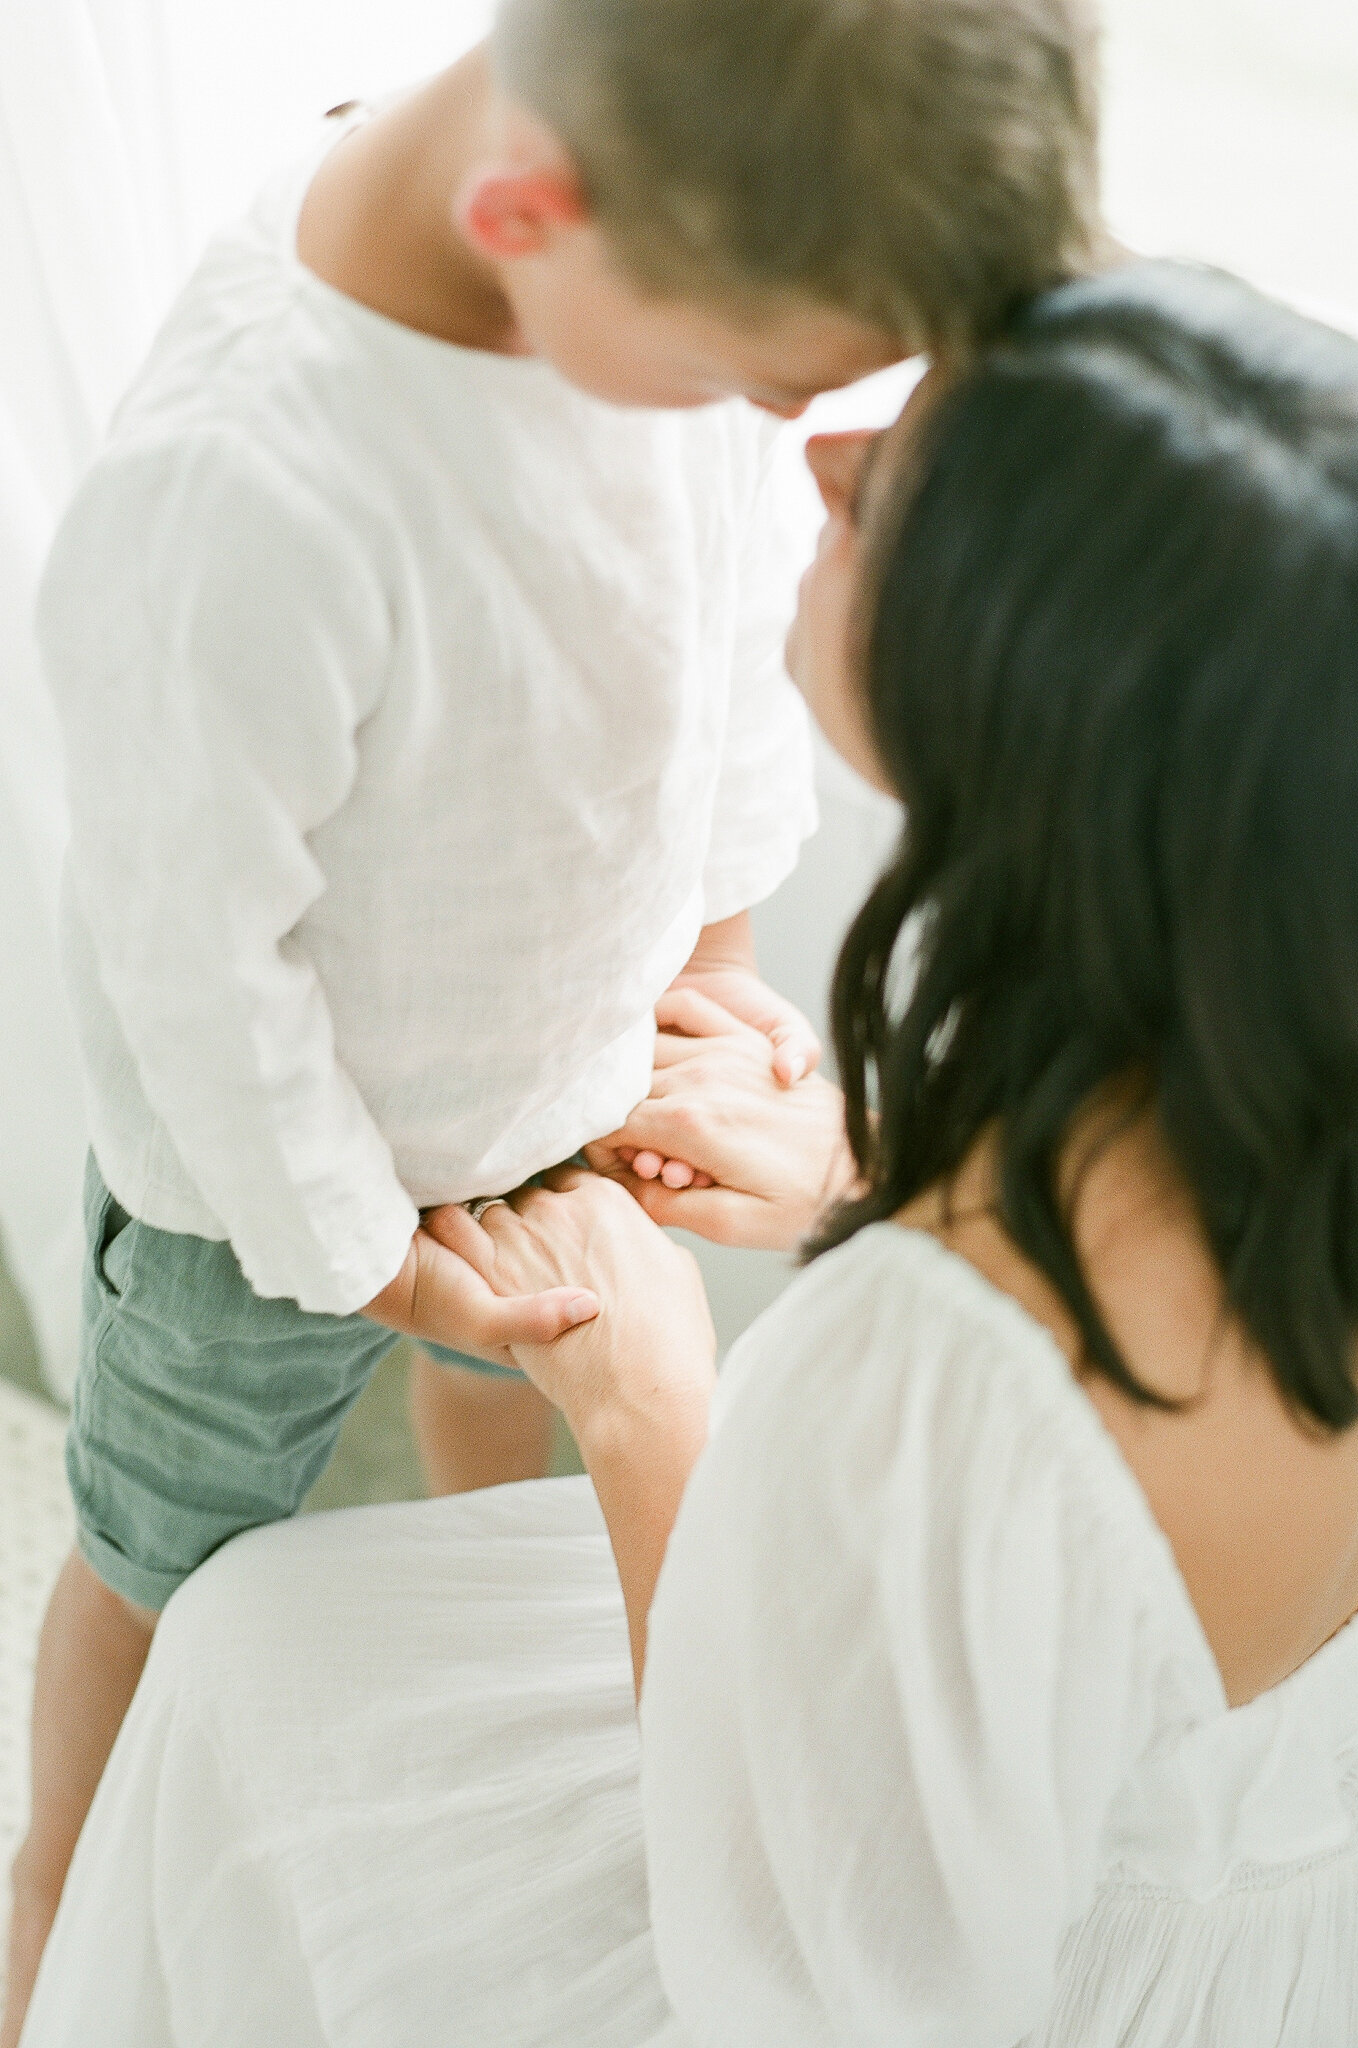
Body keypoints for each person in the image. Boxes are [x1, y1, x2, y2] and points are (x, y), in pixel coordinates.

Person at [26, 262, 1358, 2046]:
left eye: (891, 494)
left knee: (253, 1650)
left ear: (1031, 735)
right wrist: (880, 1176)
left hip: (966, 1981)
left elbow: (808, 1966)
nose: (817, 456)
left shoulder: (935, 1376)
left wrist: (650, 1410)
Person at [1, 3, 1104, 2037]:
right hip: (275, 1179)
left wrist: (717, 950)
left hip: (554, 1056)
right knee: (161, 1551)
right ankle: (55, 1900)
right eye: (753, 391)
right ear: (528, 211)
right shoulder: (256, 487)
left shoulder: (644, 307)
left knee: (499, 1441)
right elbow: (197, 964)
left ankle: (429, 1657)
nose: (792, 445)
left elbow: (715, 652)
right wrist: (363, 1249)